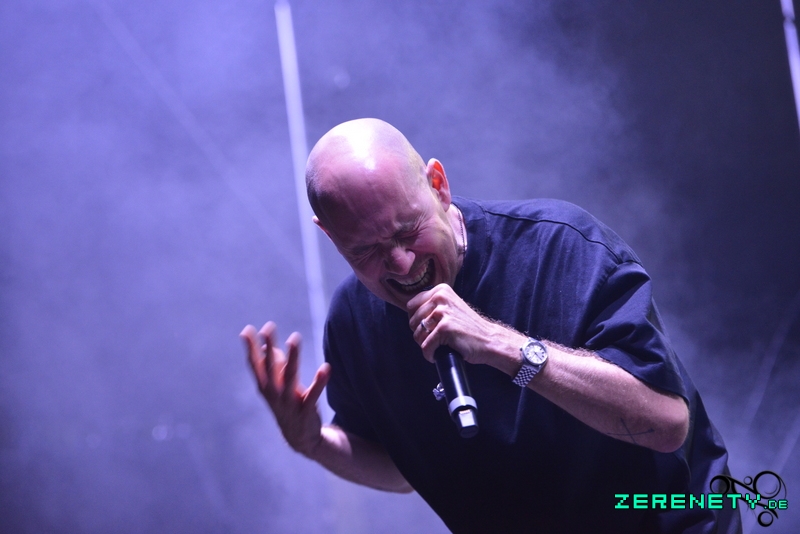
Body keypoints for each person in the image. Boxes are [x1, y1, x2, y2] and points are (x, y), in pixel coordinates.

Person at [240, 118, 740, 533]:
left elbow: (667, 426)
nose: (400, 263)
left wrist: (501, 345)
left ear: (438, 185)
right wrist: (314, 443)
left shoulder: (562, 247)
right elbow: (401, 470)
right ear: (330, 237)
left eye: (407, 231)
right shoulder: (353, 322)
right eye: (365, 250)